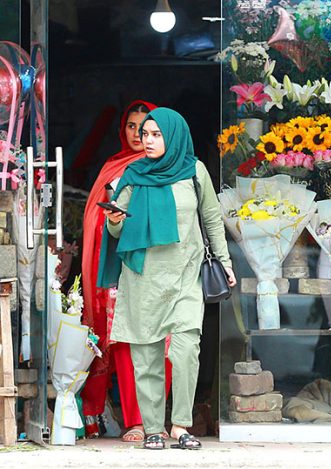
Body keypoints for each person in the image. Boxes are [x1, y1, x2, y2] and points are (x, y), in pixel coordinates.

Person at [98, 107, 236, 450]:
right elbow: (116, 226)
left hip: (186, 274)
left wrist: (225, 261)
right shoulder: (133, 173)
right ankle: (153, 428)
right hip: (144, 277)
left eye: (156, 135)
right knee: (146, 357)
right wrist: (114, 218)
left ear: (173, 135)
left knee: (187, 349)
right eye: (145, 134)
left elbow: (213, 220)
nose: (147, 140)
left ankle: (181, 425)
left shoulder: (195, 172)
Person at [81, 100, 173, 442]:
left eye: (147, 128)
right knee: (123, 344)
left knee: (162, 345)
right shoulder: (113, 166)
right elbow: (94, 220)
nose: (138, 134)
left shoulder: (169, 166)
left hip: (160, 266)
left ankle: (156, 420)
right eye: (132, 127)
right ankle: (134, 422)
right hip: (121, 270)